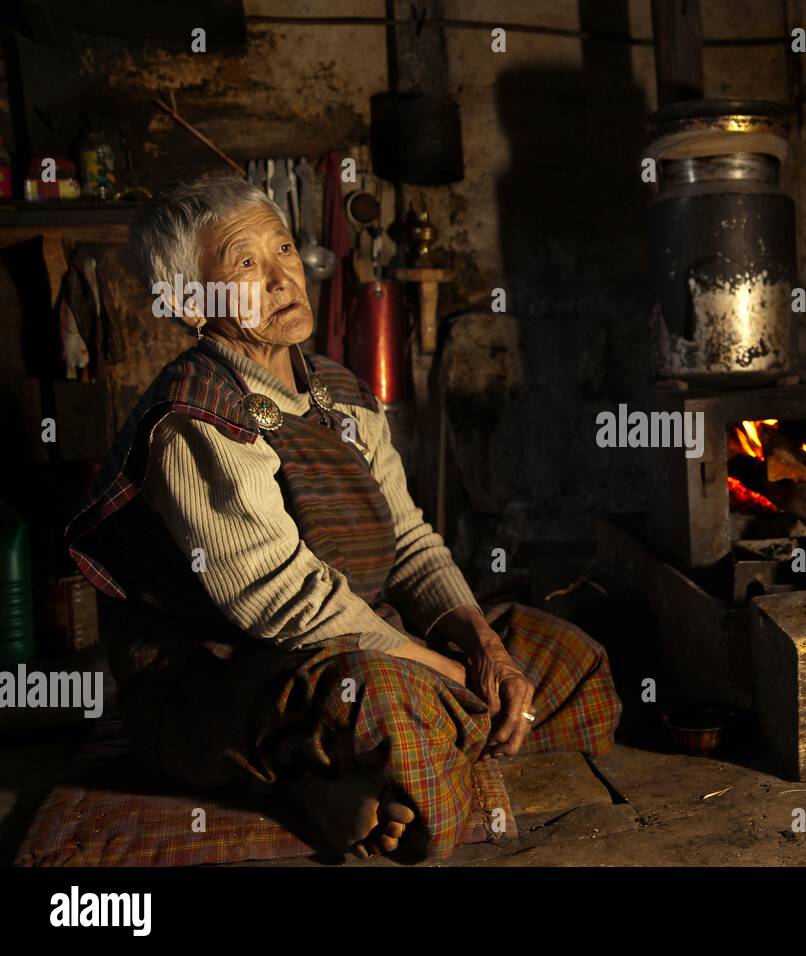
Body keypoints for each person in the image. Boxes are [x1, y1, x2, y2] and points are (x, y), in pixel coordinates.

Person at [65, 176, 621, 860]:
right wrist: (450, 676)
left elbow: (413, 544)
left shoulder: (341, 393)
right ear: (187, 303)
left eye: (283, 249)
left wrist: (484, 650)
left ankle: (357, 777)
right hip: (224, 676)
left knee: (570, 661)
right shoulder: (193, 418)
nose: (280, 278)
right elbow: (285, 606)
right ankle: (362, 771)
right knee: (385, 698)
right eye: (244, 263)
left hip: (363, 636)